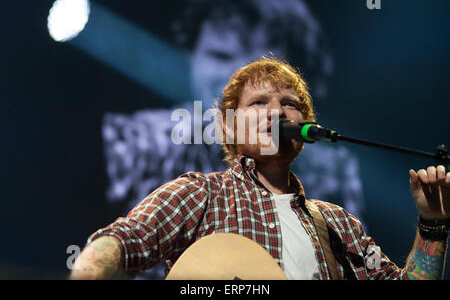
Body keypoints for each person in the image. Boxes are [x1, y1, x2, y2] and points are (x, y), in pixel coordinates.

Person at [70, 58, 449, 280]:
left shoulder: (338, 224)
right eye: (259, 102)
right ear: (230, 126)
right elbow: (124, 240)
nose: (276, 111)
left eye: (289, 103)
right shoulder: (200, 194)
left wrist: (432, 223)